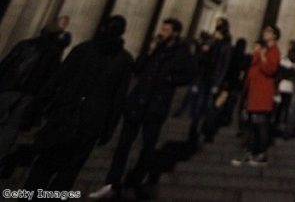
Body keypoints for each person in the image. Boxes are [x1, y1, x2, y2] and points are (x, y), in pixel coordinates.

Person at [89, 18, 196, 199]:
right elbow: (137, 68)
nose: (162, 31)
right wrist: (149, 51)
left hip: (156, 105)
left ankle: (137, 181)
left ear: (175, 33)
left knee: (148, 147)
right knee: (123, 145)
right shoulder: (155, 47)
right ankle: (111, 183)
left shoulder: (182, 52)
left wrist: (170, 80)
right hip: (137, 102)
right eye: (162, 27)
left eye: (166, 29)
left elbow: (189, 75)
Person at [24, 15, 133, 190]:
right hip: (91, 122)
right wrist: (108, 130)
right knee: (68, 173)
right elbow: (117, 100)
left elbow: (57, 79)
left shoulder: (84, 49)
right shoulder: (124, 60)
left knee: (44, 166)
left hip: (65, 114)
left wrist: (36, 106)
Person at [0, 26, 64, 160]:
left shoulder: (24, 44)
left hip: (10, 86)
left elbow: (7, 63)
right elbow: (52, 78)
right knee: (12, 127)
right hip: (30, 93)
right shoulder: (54, 52)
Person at [232, 25, 281, 166]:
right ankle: (250, 151)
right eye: (264, 31)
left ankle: (261, 153)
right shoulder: (262, 50)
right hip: (253, 92)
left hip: (262, 94)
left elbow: (270, 69)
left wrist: (263, 55)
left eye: (268, 32)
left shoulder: (274, 51)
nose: (264, 33)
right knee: (252, 125)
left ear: (275, 35)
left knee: (260, 125)